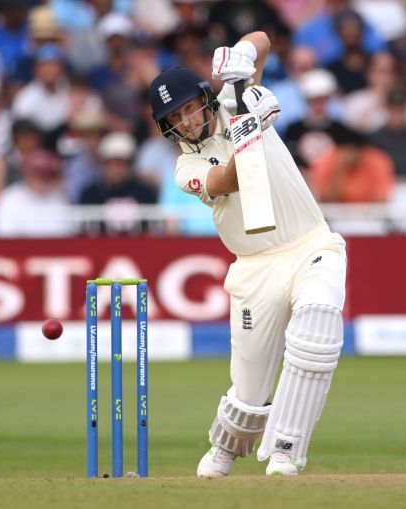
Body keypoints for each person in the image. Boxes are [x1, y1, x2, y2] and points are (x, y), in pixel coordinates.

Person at [149, 31, 347, 477]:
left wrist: (241, 59)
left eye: (187, 108)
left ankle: (284, 451)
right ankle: (224, 448)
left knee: (317, 326)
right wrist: (249, 130)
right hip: (255, 269)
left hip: (310, 243)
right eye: (174, 117)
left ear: (203, 98)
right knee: (249, 392)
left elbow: (262, 40)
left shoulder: (233, 99)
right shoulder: (186, 167)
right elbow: (228, 181)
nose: (186, 121)